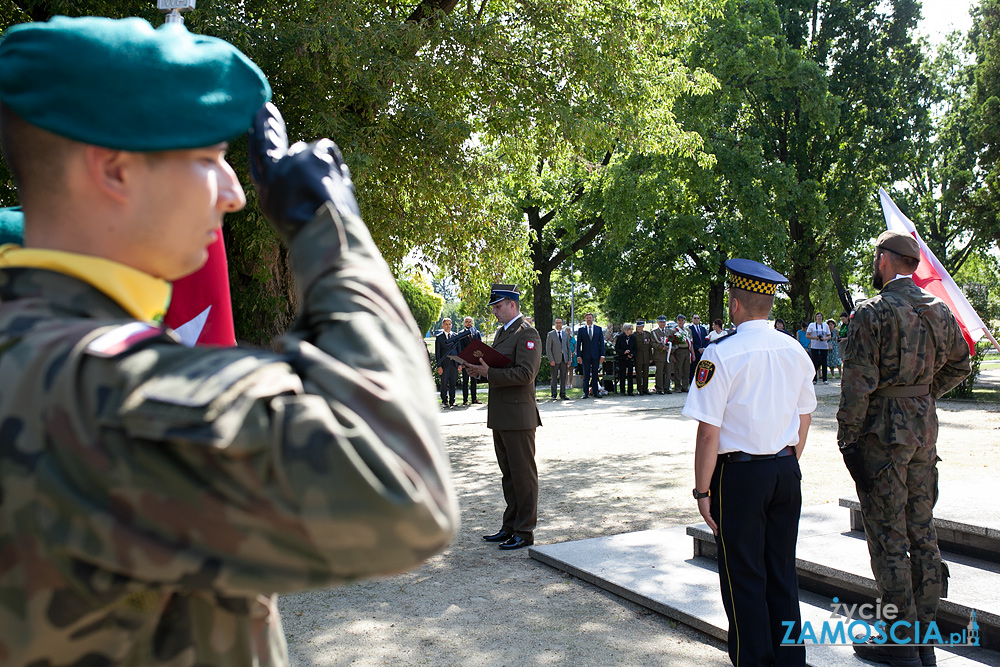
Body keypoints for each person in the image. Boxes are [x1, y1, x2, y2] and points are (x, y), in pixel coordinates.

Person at [0, 16, 458, 666]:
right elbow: (402, 489)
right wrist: (332, 233)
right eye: (209, 158)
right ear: (114, 169)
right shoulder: (96, 388)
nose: (236, 194)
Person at [836, 231, 971, 667]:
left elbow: (857, 387)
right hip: (923, 434)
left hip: (882, 438)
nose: (874, 264)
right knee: (923, 534)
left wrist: (848, 439)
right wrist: (923, 393)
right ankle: (922, 639)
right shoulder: (937, 309)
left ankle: (899, 643)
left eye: (876, 257)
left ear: (887, 260)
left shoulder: (872, 313)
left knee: (889, 539)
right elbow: (961, 363)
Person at [683, 259, 816, 667]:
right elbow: (805, 415)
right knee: (781, 572)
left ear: (735, 305)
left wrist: (702, 491)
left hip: (739, 475)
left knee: (744, 578)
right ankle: (791, 661)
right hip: (784, 469)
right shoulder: (794, 349)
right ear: (769, 304)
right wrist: (788, 459)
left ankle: (754, 661)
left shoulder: (720, 354)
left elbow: (709, 433)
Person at [469, 284, 542, 550]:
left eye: (498, 306)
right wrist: (479, 370)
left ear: (512, 304)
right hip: (502, 414)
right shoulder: (503, 332)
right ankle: (510, 526)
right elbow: (499, 367)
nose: (495, 312)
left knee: (523, 475)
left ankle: (524, 531)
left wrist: (489, 373)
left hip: (519, 415)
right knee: (509, 475)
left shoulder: (527, 333)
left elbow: (526, 374)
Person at [576, 312, 605, 398]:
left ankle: (596, 392)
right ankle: (585, 392)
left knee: (595, 374)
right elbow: (578, 344)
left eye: (590, 318)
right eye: (587, 318)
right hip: (585, 355)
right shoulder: (581, 330)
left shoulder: (598, 329)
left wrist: (602, 355)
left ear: (593, 319)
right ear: (585, 319)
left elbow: (602, 343)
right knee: (586, 374)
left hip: (596, 355)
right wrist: (578, 356)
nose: (589, 319)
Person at [457, 316, 482, 404]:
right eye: (466, 322)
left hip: (475, 360)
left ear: (472, 322)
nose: (468, 323)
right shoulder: (460, 333)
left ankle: (474, 399)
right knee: (465, 381)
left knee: (474, 381)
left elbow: (480, 346)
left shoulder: (477, 332)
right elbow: (460, 347)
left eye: (470, 321)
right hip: (465, 360)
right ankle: (465, 400)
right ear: (464, 323)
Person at [435, 317, 460, 406]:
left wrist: (459, 364)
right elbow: (437, 353)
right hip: (444, 364)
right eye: (446, 324)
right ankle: (444, 401)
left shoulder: (455, 336)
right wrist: (439, 366)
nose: (448, 326)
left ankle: (452, 401)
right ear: (443, 325)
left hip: (454, 364)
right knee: (444, 384)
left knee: (453, 384)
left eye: (449, 324)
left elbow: (458, 351)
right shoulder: (439, 337)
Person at [546, 317, 571, 399]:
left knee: (563, 378)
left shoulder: (565, 334)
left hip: (564, 359)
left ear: (562, 324)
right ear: (554, 324)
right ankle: (554, 394)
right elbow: (548, 348)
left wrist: (569, 359)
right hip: (555, 359)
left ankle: (563, 394)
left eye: (560, 322)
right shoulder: (550, 334)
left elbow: (568, 348)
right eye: (556, 322)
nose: (558, 324)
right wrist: (551, 359)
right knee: (554, 378)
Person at [806, 311, 831, 384]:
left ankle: (825, 379)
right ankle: (814, 379)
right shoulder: (812, 325)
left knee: (824, 362)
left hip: (824, 345)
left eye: (820, 316)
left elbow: (829, 335)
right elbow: (807, 335)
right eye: (818, 316)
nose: (819, 318)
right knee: (815, 362)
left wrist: (824, 338)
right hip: (814, 345)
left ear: (822, 318)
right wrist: (814, 337)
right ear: (815, 318)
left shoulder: (825, 325)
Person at [669, 313, 692, 392]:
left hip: (687, 350)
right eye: (679, 320)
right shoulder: (674, 331)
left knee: (686, 369)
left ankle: (685, 386)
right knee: (678, 369)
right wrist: (673, 355)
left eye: (682, 320)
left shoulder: (688, 330)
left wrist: (692, 353)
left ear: (684, 321)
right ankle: (678, 387)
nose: (681, 322)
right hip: (679, 351)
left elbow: (691, 342)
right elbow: (672, 342)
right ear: (677, 321)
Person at [651, 315, 672, 394]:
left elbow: (673, 341)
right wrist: (661, 347)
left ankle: (666, 388)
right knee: (659, 372)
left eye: (663, 322)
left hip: (668, 354)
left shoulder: (669, 331)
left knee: (668, 372)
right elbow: (652, 343)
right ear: (658, 322)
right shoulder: (654, 332)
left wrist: (669, 347)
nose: (662, 324)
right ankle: (659, 388)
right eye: (661, 322)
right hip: (659, 355)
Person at [615, 322, 637, 395]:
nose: (631, 330)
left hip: (630, 359)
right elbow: (617, 348)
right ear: (626, 329)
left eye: (632, 329)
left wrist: (631, 354)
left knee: (630, 375)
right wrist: (624, 352)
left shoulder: (633, 338)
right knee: (622, 375)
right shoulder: (620, 337)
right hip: (622, 358)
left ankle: (630, 391)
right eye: (630, 329)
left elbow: (635, 348)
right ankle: (622, 391)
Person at [633, 319, 653, 395]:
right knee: (638, 374)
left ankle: (645, 388)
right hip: (638, 356)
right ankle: (639, 389)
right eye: (638, 326)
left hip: (646, 356)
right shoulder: (634, 335)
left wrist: (651, 357)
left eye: (640, 326)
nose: (639, 328)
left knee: (646, 374)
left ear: (643, 326)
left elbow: (650, 347)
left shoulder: (647, 334)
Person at [689, 313, 709, 383]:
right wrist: (698, 348)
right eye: (695, 318)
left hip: (703, 352)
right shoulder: (690, 329)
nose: (696, 320)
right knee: (693, 369)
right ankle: (691, 383)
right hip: (695, 352)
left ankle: (701, 382)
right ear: (692, 319)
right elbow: (690, 341)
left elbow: (706, 339)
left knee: (702, 369)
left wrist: (703, 348)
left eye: (698, 318)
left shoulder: (703, 329)